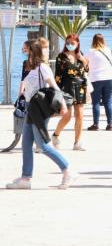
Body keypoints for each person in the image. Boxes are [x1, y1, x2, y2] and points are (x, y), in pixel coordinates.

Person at [6, 41, 73, 190]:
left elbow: (55, 87)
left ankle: (67, 170)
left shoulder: (43, 67)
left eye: (26, 50)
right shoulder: (32, 68)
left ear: (32, 52)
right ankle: (25, 178)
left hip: (39, 109)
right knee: (26, 145)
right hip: (31, 108)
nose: (24, 52)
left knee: (42, 145)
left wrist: (62, 104)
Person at [52, 34, 89, 150]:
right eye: (68, 43)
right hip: (66, 88)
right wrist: (56, 91)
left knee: (80, 115)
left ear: (77, 43)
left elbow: (87, 70)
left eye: (73, 43)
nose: (70, 45)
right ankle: (55, 135)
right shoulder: (61, 57)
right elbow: (57, 75)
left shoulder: (80, 55)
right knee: (67, 116)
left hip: (80, 87)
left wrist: (83, 59)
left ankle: (77, 143)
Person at [87, 34, 112, 131]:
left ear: (93, 41)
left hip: (96, 78)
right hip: (110, 78)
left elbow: (84, 61)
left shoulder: (91, 51)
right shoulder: (108, 49)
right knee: (108, 101)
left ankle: (96, 124)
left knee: (95, 102)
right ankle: (110, 124)